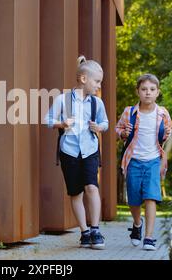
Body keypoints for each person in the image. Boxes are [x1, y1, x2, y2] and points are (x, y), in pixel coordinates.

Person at [45, 55, 109, 249]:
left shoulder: (97, 103)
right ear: (83, 79)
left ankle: (96, 230)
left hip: (89, 150)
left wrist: (99, 127)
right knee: (76, 193)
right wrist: (61, 123)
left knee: (92, 187)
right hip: (69, 152)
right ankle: (84, 232)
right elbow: (47, 120)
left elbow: (105, 123)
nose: (98, 86)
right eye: (97, 81)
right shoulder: (62, 100)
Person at [116, 74, 172, 251]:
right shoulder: (129, 112)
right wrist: (123, 134)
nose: (148, 93)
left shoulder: (162, 113)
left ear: (158, 92)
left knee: (151, 197)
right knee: (133, 198)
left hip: (154, 160)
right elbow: (118, 129)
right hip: (134, 160)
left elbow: (167, 132)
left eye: (152, 90)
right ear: (138, 92)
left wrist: (165, 135)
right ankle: (137, 224)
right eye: (144, 89)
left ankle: (149, 237)